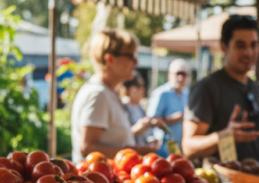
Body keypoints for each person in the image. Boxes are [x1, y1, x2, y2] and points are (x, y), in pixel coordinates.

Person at [182, 14, 259, 161]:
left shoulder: (257, 90)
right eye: (241, 46)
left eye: (253, 45)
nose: (248, 52)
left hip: (254, 175)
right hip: (218, 176)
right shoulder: (207, 88)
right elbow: (188, 147)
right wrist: (224, 137)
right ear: (224, 47)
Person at [70, 29, 159, 163]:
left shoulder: (107, 92)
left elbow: (110, 138)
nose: (136, 61)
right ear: (110, 59)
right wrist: (137, 151)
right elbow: (87, 148)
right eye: (130, 56)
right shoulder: (98, 94)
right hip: (100, 175)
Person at [148, 58, 190, 156]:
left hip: (182, 148)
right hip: (164, 149)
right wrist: (172, 118)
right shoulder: (161, 93)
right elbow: (151, 121)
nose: (181, 78)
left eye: (184, 74)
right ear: (170, 75)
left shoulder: (187, 93)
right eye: (178, 73)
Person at [120, 74, 164, 147]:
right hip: (128, 151)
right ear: (131, 89)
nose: (143, 89)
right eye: (140, 86)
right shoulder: (122, 107)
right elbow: (119, 136)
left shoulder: (140, 107)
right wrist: (138, 128)